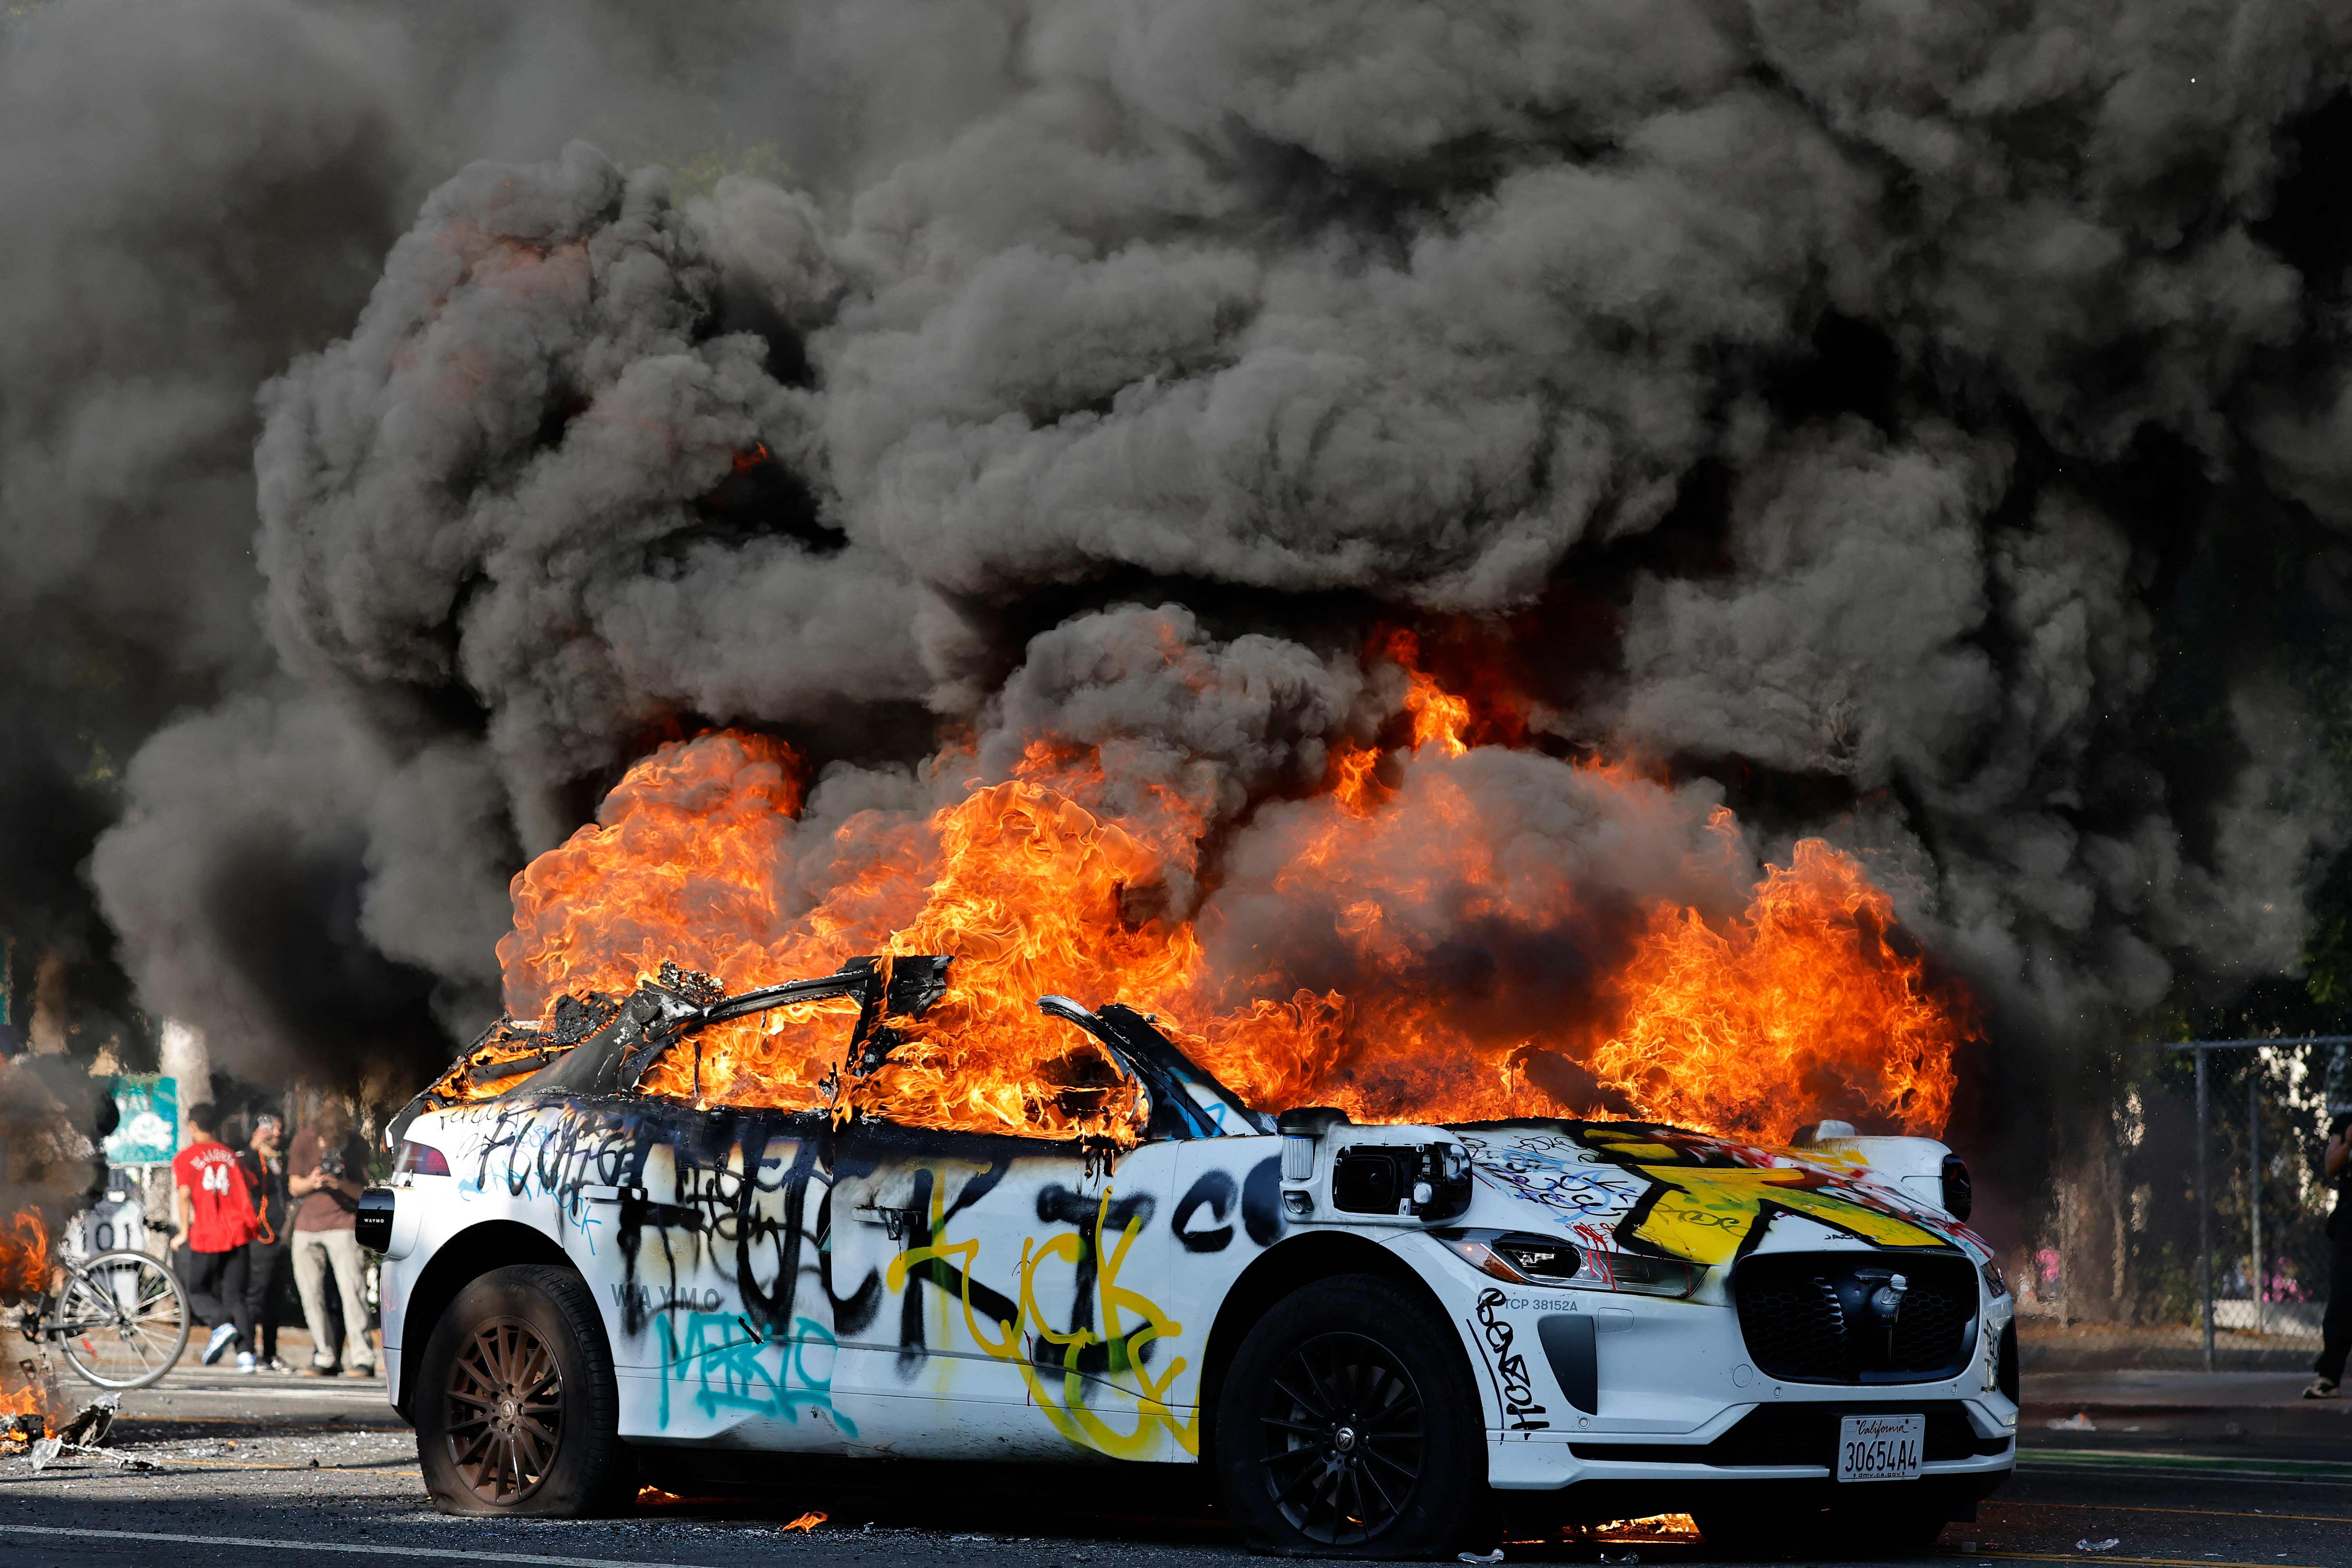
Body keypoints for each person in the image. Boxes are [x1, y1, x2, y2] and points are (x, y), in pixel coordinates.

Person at [289, 1108, 376, 1377]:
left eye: (335, 1143)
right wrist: (312, 1182)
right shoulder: (304, 1140)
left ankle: (363, 1358)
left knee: (354, 1293)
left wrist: (341, 1184)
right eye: (326, 1142)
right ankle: (325, 1356)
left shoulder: (357, 1145)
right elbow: (294, 1187)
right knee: (310, 1294)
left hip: (344, 1224)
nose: (330, 1147)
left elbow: (365, 1194)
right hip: (307, 1227)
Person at [170, 1102, 257, 1370]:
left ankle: (221, 1325)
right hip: (238, 1231)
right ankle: (247, 1355)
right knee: (235, 1296)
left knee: (196, 1290)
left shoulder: (186, 1157)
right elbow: (248, 1186)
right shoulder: (231, 1154)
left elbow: (184, 1194)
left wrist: (185, 1230)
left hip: (208, 1233)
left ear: (193, 1126)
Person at [236, 1111, 296, 1374]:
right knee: (255, 1295)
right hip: (260, 1235)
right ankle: (250, 1351)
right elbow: (241, 1179)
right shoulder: (250, 1158)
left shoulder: (282, 1159)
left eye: (281, 1129)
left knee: (275, 1296)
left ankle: (271, 1353)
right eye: (273, 1129)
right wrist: (252, 1145)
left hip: (282, 1234)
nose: (278, 1134)